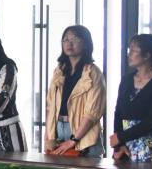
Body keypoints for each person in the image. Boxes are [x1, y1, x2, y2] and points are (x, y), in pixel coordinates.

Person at [44, 25, 106, 158]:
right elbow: (50, 106)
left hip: (83, 132)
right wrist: (48, 136)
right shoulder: (59, 70)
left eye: (75, 39)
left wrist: (73, 139)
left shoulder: (93, 72)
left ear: (85, 44)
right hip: (59, 128)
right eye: (65, 39)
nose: (69, 43)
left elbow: (92, 113)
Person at [110, 34, 152, 163]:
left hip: (150, 147)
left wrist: (120, 137)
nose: (129, 54)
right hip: (125, 147)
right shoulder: (127, 79)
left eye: (133, 50)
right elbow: (119, 112)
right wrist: (119, 144)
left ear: (147, 55)